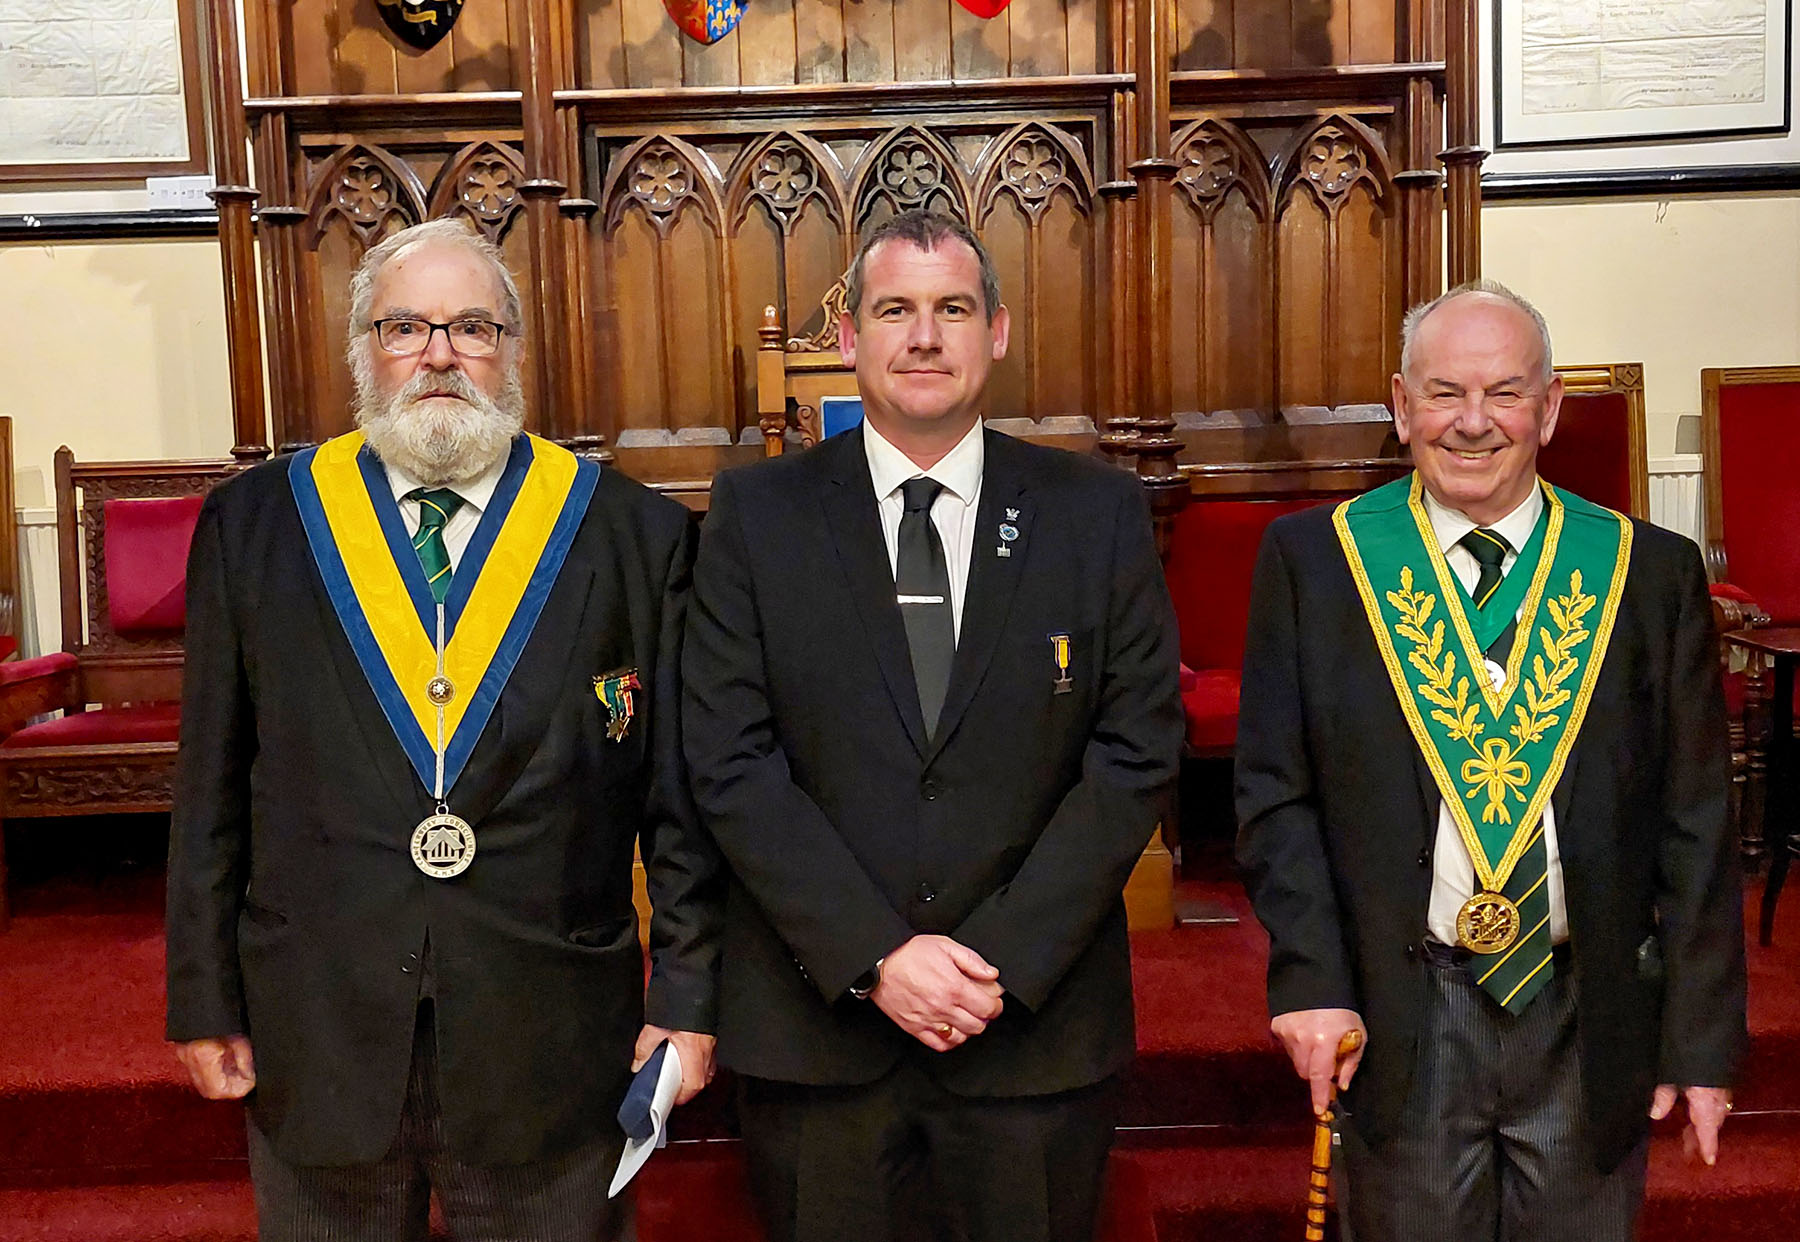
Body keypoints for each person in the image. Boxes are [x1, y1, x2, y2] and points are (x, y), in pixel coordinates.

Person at [165, 217, 721, 1242]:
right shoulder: (257, 527)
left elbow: (676, 795)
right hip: (320, 1020)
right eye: (405, 325)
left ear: (512, 350)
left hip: (549, 1030)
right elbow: (210, 786)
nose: (438, 354)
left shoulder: (628, 532)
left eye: (472, 326)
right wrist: (202, 994)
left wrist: (686, 992)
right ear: (360, 351)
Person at [681, 208, 1182, 1242]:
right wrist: (875, 955)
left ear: (995, 331)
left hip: (1028, 1033)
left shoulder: (1094, 514)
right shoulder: (755, 517)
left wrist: (994, 959)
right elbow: (730, 760)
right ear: (850, 336)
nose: (923, 336)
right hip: (821, 1031)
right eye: (894, 310)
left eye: (952, 308)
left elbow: (1135, 752)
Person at [1236, 279, 1749, 1241]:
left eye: (1505, 393)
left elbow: (1696, 823)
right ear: (1400, 405)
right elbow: (1276, 798)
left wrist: (1703, 1040)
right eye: (1444, 394)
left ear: (1550, 408)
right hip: (1403, 1015)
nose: (1473, 423)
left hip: (1586, 1014)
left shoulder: (1647, 572)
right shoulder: (1317, 564)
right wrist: (1310, 977)